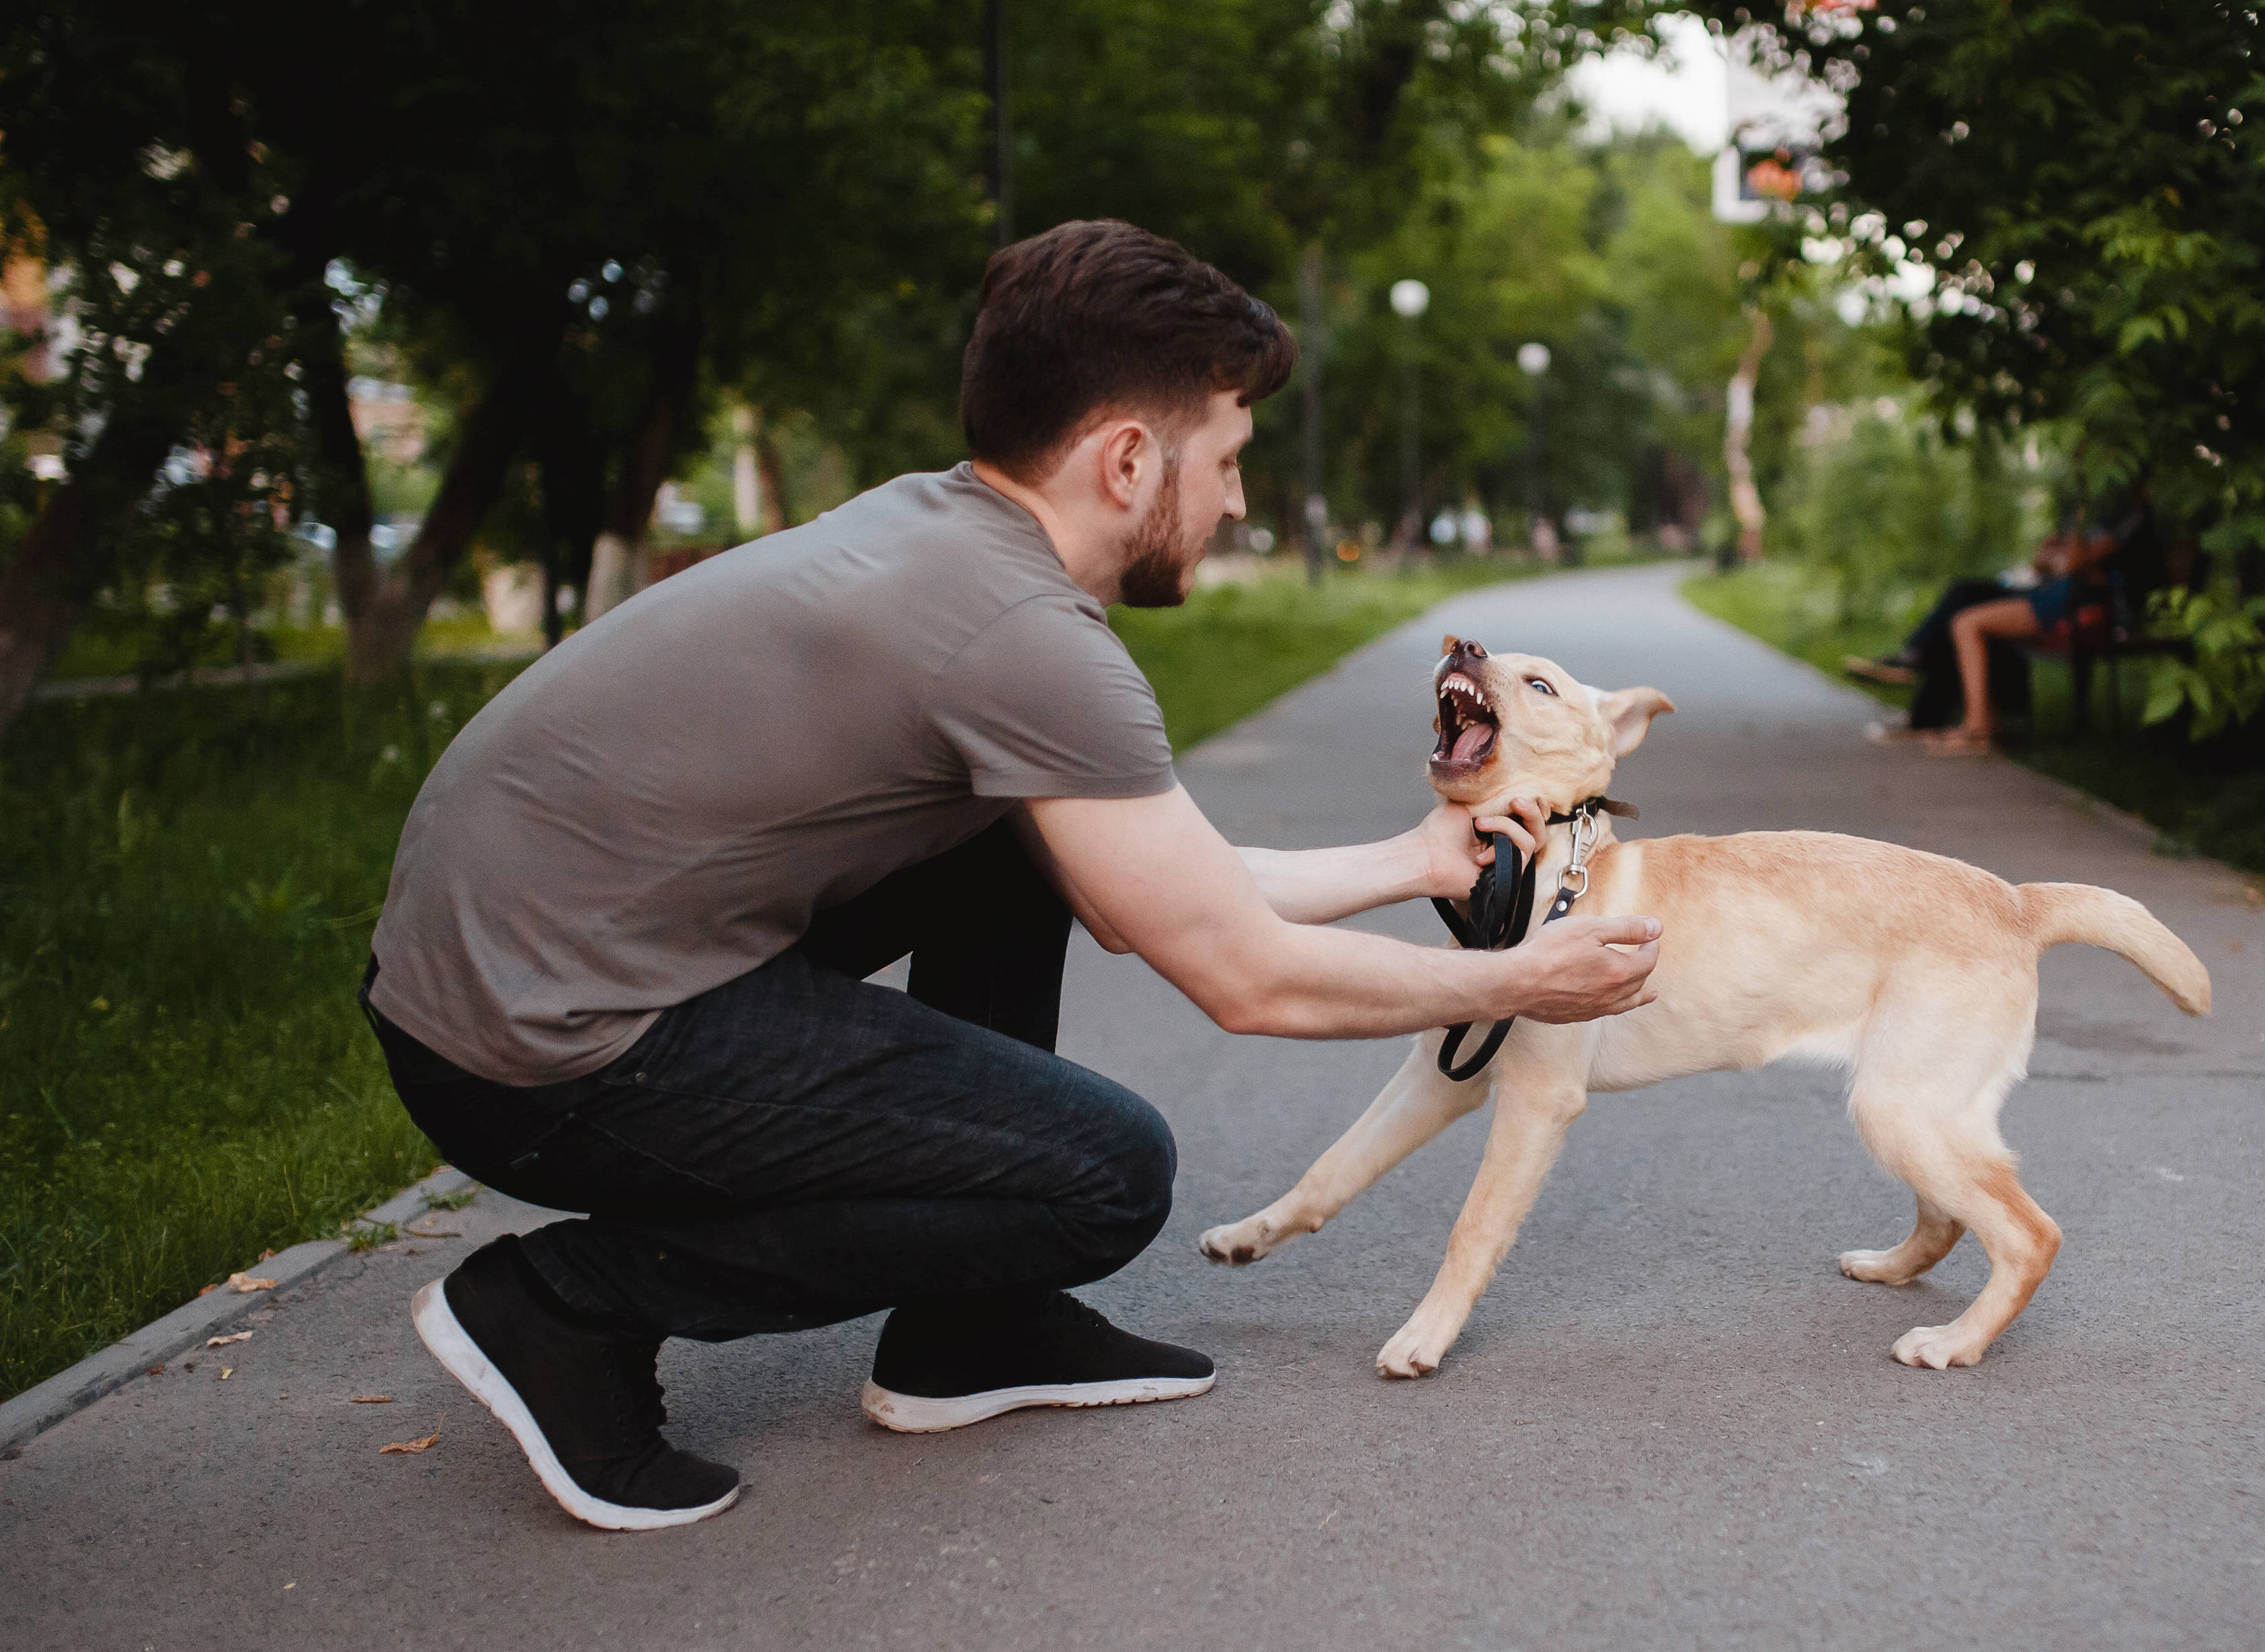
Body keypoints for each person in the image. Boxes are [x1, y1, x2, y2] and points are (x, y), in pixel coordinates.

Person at [360, 220, 1663, 1531]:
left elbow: (1164, 887)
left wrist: (1409, 859)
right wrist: (1519, 977)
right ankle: (566, 1308)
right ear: (1129, 456)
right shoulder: (1025, 638)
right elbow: (1242, 977)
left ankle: (969, 1334)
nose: (1240, 504)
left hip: (512, 983)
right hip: (542, 1059)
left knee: (1009, 844)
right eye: (1229, 462)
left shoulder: (945, 535)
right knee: (1102, 1170)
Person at [1847, 487, 2156, 756]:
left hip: (2083, 608)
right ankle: (1919, 669)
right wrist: (2067, 556)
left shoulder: (2126, 516)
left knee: (1966, 624)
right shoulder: (2098, 513)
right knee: (1964, 593)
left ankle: (1976, 728)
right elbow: (2043, 559)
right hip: (2056, 596)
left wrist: (2070, 545)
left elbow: (2069, 563)